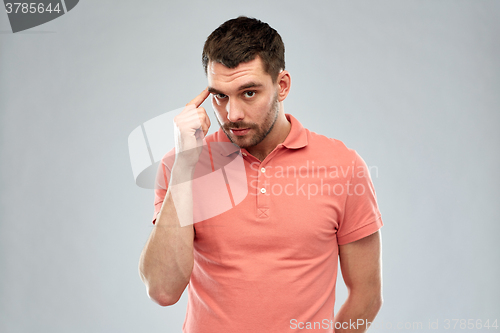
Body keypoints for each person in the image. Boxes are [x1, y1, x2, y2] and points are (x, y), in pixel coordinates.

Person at [139, 16, 383, 333]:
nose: (233, 114)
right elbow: (162, 290)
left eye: (249, 93)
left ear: (281, 86)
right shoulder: (180, 165)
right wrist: (186, 165)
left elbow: (367, 296)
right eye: (220, 96)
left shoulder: (344, 166)